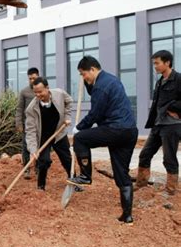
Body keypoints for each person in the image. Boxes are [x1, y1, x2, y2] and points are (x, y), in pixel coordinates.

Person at [67, 56, 138, 224]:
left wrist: (80, 127)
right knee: (121, 173)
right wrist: (85, 82)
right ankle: (127, 215)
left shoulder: (101, 87)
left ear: (92, 69)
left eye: (84, 74)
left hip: (115, 129)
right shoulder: (110, 80)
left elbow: (95, 114)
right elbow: (94, 91)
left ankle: (85, 176)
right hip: (129, 132)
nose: (84, 77)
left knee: (80, 139)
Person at [135, 50, 180, 196]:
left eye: (157, 63)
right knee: (145, 154)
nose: (155, 66)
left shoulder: (178, 79)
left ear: (167, 63)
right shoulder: (160, 81)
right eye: (154, 63)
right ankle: (141, 183)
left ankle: (170, 190)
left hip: (172, 125)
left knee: (169, 158)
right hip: (158, 124)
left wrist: (174, 109)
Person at [25, 77, 72, 190]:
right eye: (35, 92)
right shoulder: (32, 108)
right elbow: (30, 131)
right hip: (44, 136)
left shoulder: (59, 94)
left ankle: (74, 180)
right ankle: (41, 186)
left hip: (58, 133)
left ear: (47, 88)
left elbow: (69, 101)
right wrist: (33, 150)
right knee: (43, 161)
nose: (37, 95)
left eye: (40, 91)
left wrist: (67, 117)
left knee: (67, 159)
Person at [15, 67, 40, 179]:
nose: (32, 80)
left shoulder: (41, 89)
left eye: (34, 78)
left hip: (40, 124)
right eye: (30, 78)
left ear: (38, 76)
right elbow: (19, 109)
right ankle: (26, 169)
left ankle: (38, 168)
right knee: (26, 147)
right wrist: (19, 124)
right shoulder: (24, 92)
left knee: (39, 146)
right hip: (27, 125)